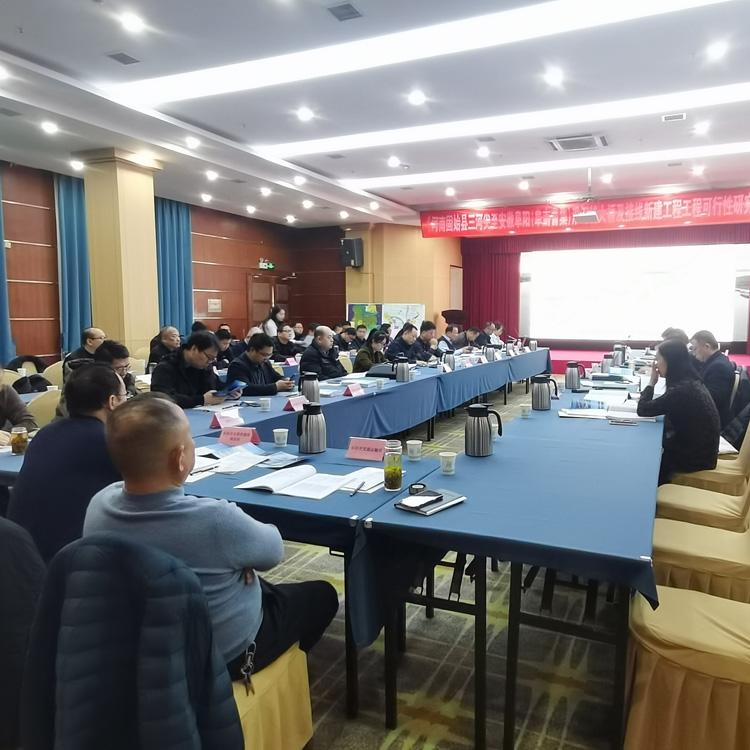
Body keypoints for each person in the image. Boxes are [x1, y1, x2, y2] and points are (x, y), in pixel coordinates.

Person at [83, 396, 338, 677]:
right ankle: (278, 675)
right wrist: (241, 559)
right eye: (190, 438)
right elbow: (274, 550)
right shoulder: (216, 520)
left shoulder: (98, 504)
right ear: (180, 458)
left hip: (136, 643)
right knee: (322, 595)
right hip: (221, 656)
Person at [8, 365, 124, 562]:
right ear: (112, 402)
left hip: (18, 555)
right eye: (124, 395)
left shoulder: (45, 434)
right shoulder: (112, 441)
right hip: (68, 562)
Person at [636, 338, 720, 485]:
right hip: (703, 451)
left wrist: (651, 383)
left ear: (670, 361)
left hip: (696, 458)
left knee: (647, 453)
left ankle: (654, 489)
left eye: (658, 359)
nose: (655, 364)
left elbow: (643, 409)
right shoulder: (690, 381)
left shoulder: (681, 390)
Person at [151, 330, 239, 409]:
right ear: (194, 349)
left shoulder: (204, 366)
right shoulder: (166, 367)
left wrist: (229, 392)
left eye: (213, 359)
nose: (210, 362)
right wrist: (201, 400)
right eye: (209, 357)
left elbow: (214, 385)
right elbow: (163, 399)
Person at [690, 330, 736, 428]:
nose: (693, 353)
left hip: (711, 423)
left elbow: (711, 400)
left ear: (707, 346)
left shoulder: (718, 367)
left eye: (695, 349)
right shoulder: (716, 361)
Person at [227, 333, 295, 396]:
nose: (267, 358)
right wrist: (275, 387)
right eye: (264, 355)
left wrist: (284, 380)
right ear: (252, 350)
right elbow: (246, 388)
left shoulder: (265, 363)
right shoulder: (237, 365)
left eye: (269, 355)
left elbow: (275, 376)